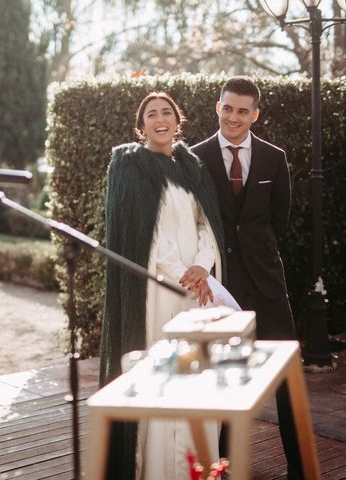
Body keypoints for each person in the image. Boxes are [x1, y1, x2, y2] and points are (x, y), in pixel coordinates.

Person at [100, 92, 225, 479]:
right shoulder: (131, 167)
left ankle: (196, 466)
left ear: (177, 121)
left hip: (199, 292)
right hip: (156, 288)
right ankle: (155, 469)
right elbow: (144, 232)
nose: (160, 119)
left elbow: (207, 222)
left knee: (195, 374)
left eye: (167, 112)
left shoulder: (192, 167)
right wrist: (181, 272)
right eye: (151, 114)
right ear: (142, 126)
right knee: (160, 369)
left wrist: (203, 266)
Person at [191, 76, 304, 479]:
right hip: (221, 289)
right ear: (216, 108)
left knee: (286, 379)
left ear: (254, 114)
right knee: (224, 378)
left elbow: (279, 219)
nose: (234, 117)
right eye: (227, 108)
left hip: (268, 285)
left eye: (243, 110)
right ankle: (223, 469)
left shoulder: (275, 158)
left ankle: (299, 465)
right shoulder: (195, 156)